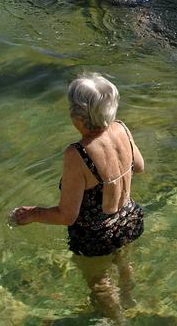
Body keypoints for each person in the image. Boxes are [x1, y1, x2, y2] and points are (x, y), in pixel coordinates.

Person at [11, 74, 145, 318]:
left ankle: (118, 321)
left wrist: (31, 214)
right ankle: (129, 298)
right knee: (123, 261)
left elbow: (67, 215)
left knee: (99, 281)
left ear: (78, 116)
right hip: (129, 219)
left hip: (97, 236)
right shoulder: (122, 129)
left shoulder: (77, 154)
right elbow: (139, 166)